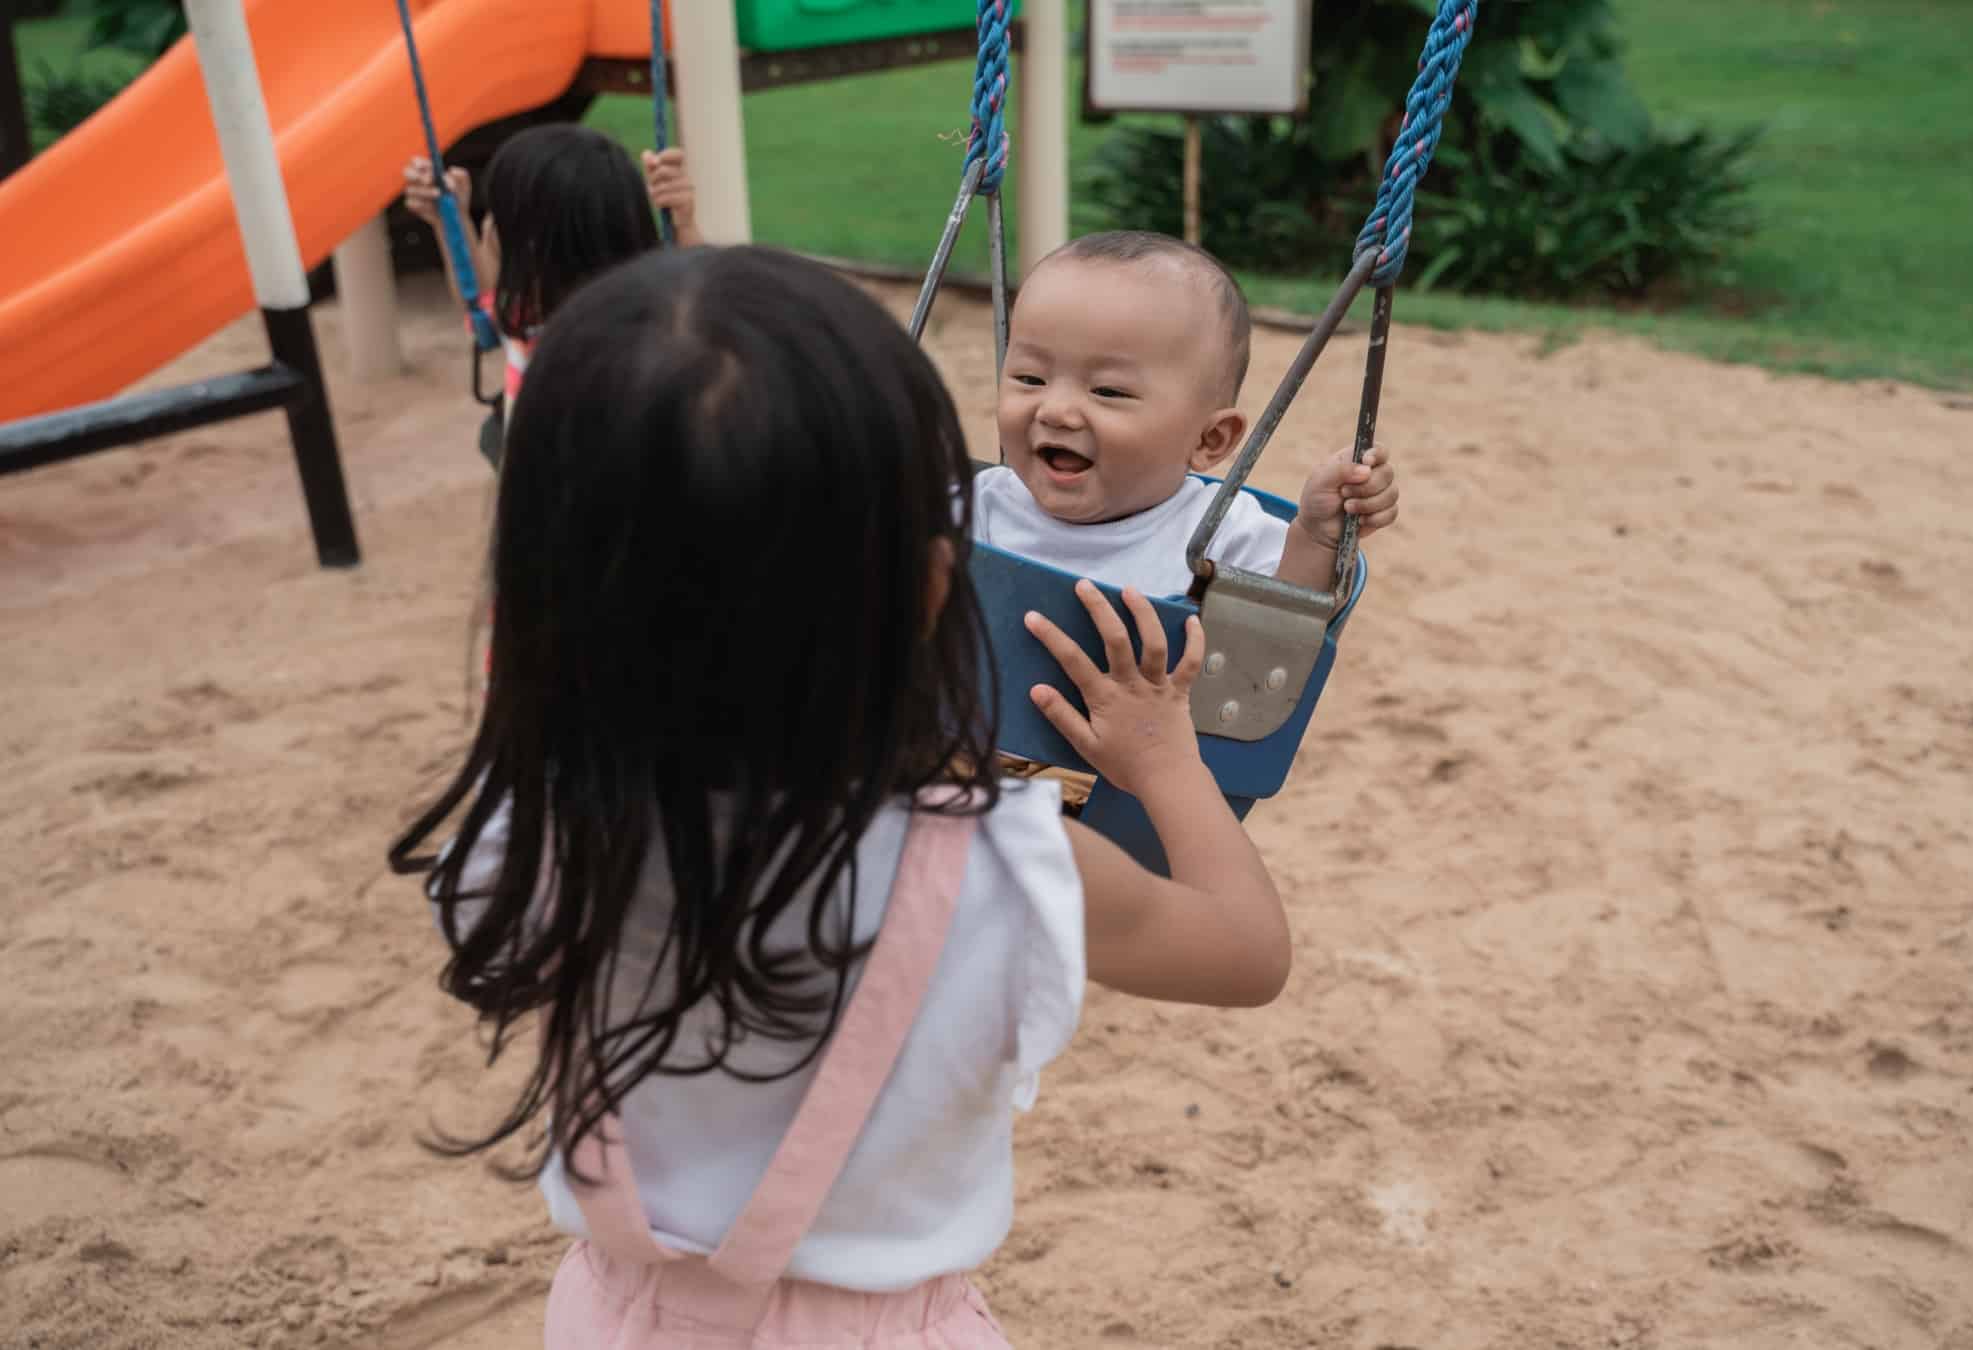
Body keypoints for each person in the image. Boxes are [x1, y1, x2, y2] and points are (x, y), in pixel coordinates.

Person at [391, 245, 1300, 1348]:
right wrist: (1163, 761)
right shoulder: (1002, 866)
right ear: (932, 587)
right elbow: (1245, 953)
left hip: (614, 1322)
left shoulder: (520, 829)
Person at [976, 229, 1400, 599]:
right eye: (1031, 379)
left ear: (1209, 440)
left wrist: (1318, 540)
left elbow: (1284, 633)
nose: (1056, 411)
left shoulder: (1220, 535)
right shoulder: (973, 507)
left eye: (1108, 390)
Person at [401, 123, 698, 458]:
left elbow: (704, 306)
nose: (489, 226)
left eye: (500, 218)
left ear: (538, 245)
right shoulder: (522, 308)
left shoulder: (649, 321)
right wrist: (451, 222)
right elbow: (479, 299)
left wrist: (684, 225)